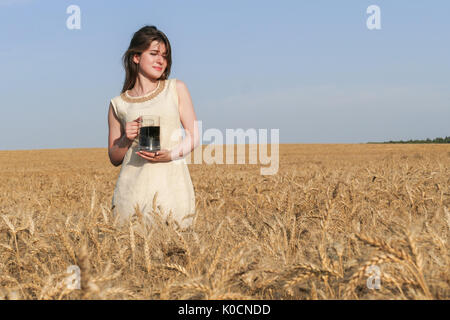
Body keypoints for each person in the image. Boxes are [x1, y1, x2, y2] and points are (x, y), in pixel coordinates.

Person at [107, 25, 200, 230]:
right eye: (154, 53)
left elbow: (194, 136)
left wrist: (170, 154)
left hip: (172, 190)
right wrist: (125, 139)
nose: (161, 60)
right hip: (131, 195)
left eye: (165, 56)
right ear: (136, 57)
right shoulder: (119, 104)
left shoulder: (176, 89)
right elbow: (114, 157)